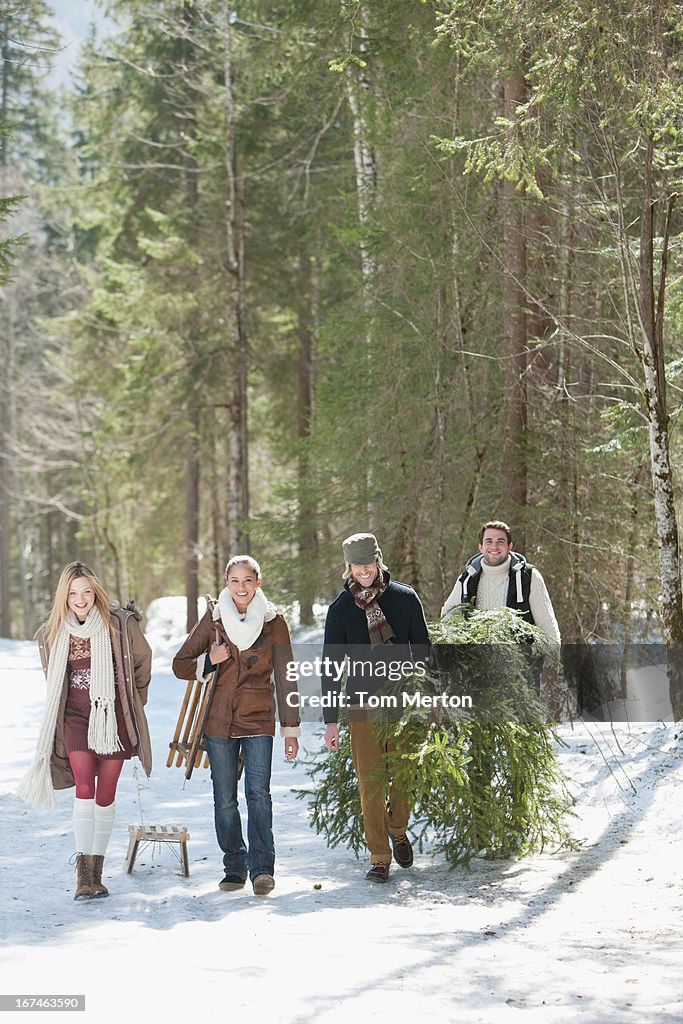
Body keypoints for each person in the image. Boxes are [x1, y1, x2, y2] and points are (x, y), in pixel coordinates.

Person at [17, 561, 153, 901]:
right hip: (75, 718)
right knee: (83, 786)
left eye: (87, 592)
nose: (81, 600)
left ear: (96, 593)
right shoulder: (53, 632)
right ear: (65, 596)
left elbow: (143, 660)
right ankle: (83, 878)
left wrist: (133, 701)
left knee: (106, 794)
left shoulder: (119, 624)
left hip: (113, 720)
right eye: (74, 593)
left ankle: (97, 874)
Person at [172, 555, 300, 896]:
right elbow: (180, 664)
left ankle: (262, 870)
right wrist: (209, 661)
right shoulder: (214, 620)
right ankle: (234, 866)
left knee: (259, 796)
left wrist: (291, 729)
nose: (241, 587)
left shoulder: (275, 623)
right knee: (224, 798)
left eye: (247, 580)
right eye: (234, 581)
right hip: (219, 722)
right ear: (226, 584)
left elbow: (287, 677)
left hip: (258, 719)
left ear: (258, 583)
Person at [322, 532, 430, 883]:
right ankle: (380, 856)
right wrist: (330, 721)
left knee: (403, 777)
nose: (364, 571)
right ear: (349, 567)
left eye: (369, 563)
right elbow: (331, 667)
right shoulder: (340, 609)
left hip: (403, 703)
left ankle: (398, 827)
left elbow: (424, 650)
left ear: (378, 560)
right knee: (371, 783)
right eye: (357, 565)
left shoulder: (405, 598)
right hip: (361, 705)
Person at [441, 520, 561, 642]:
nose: (494, 546)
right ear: (480, 547)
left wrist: (549, 659)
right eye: (489, 541)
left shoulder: (528, 577)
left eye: (500, 541)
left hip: (521, 659)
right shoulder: (468, 578)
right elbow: (449, 614)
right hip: (476, 659)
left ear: (509, 546)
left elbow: (547, 624)